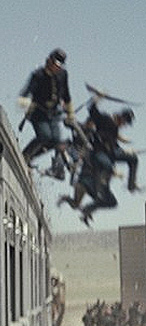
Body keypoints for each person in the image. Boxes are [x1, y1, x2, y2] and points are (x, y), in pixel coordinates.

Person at [58, 96, 139, 226]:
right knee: (107, 165)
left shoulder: (115, 129)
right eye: (124, 122)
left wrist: (126, 152)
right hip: (99, 153)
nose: (123, 125)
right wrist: (95, 100)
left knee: (133, 159)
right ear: (121, 117)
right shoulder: (105, 119)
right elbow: (92, 111)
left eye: (125, 124)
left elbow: (113, 145)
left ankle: (131, 185)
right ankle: (93, 197)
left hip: (110, 154)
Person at [19, 48, 76, 180]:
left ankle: (30, 157)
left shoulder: (63, 75)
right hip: (38, 113)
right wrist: (25, 102)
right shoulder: (38, 75)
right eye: (55, 64)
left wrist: (70, 114)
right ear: (49, 61)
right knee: (44, 135)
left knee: (56, 140)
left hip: (54, 114)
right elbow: (26, 92)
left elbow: (66, 95)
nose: (57, 68)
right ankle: (24, 156)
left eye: (59, 66)